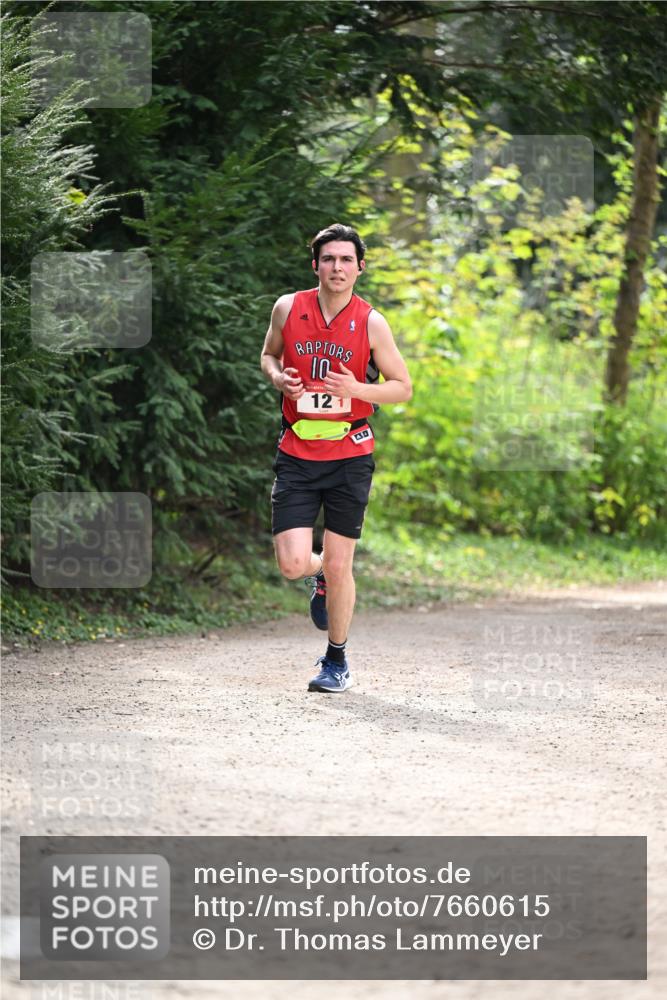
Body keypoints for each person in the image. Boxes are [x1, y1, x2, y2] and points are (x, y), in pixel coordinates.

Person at [260, 223, 412, 693]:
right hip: (297, 451)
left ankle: (336, 660)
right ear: (315, 266)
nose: (337, 267)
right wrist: (277, 378)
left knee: (342, 564)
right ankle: (319, 571)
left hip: (350, 454)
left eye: (347, 259)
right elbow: (268, 355)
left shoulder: (371, 322)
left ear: (360, 268)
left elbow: (402, 387)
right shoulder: (288, 307)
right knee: (292, 563)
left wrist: (357, 388)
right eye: (328, 259)